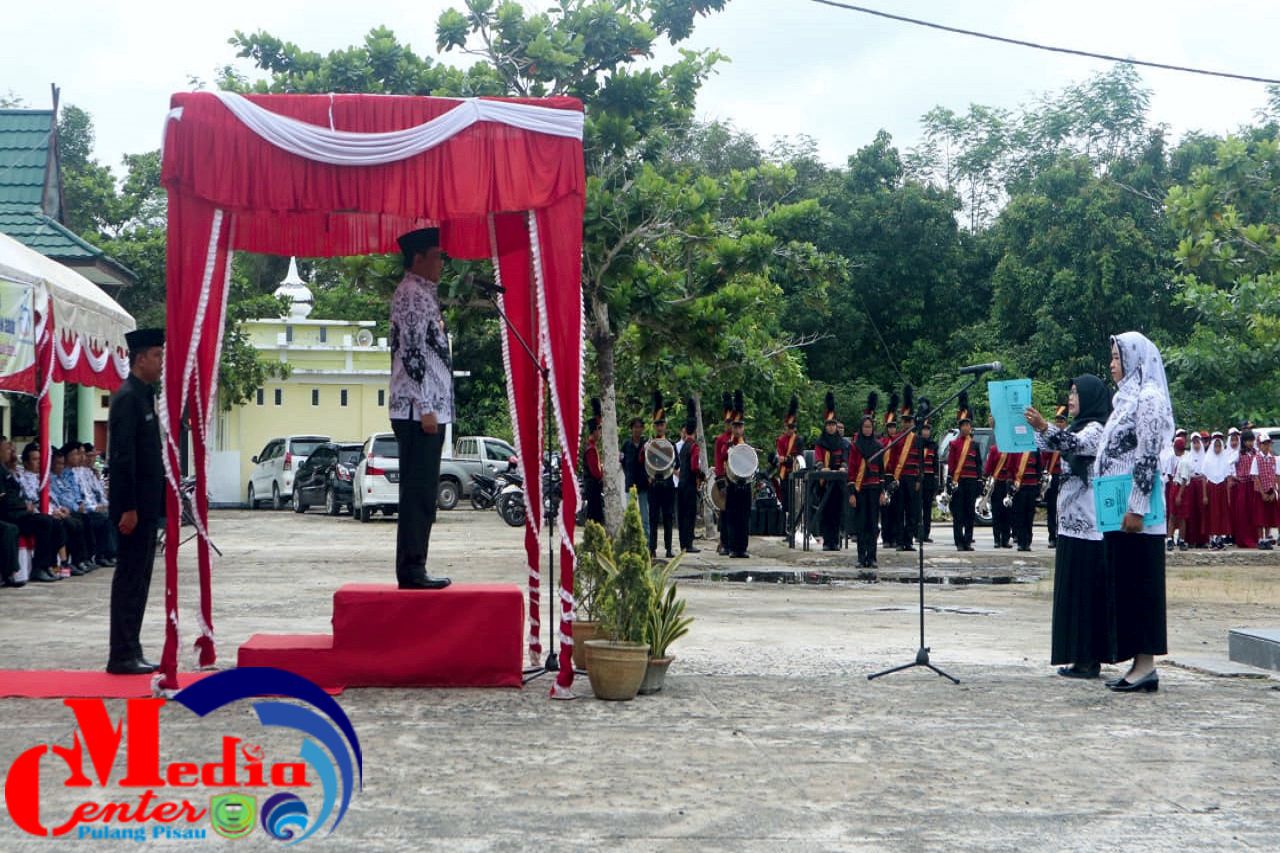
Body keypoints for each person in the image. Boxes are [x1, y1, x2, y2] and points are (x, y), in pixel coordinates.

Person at [1097, 332, 1174, 693]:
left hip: (1138, 517)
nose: (1112, 364)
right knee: (1127, 587)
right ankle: (1136, 663)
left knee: (1142, 587)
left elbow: (1147, 455)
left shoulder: (1149, 397)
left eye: (1117, 357)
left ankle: (1146, 666)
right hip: (1120, 514)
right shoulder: (1125, 400)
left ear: (1134, 358)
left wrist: (1137, 507)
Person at [1026, 375, 1112, 678]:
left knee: (1086, 594)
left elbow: (1072, 445)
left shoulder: (1097, 429)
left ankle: (1089, 659)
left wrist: (1044, 426)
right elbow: (1049, 443)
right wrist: (1025, 425)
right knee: (1071, 593)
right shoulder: (1075, 427)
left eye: (1077, 393)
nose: (1071, 397)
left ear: (1090, 397)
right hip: (1069, 525)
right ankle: (1078, 656)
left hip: (1089, 526)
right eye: (1070, 392)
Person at [388, 228, 454, 591]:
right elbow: (412, 354)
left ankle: (416, 565)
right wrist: (426, 407)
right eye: (437, 255)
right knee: (417, 493)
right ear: (418, 258)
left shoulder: (423, 294)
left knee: (424, 492)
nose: (441, 263)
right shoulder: (412, 295)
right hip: (418, 412)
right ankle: (412, 569)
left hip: (427, 410)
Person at [107, 327, 166, 674]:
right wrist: (127, 506)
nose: (161, 362)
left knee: (140, 578)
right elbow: (122, 457)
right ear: (141, 358)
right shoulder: (128, 397)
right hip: (133, 508)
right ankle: (122, 654)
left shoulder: (145, 396)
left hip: (145, 505)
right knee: (129, 577)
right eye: (157, 355)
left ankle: (132, 648)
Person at [886, 385, 923, 552]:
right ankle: (900, 541)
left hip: (912, 479)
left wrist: (918, 479)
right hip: (899, 479)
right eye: (905, 420)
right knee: (898, 511)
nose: (907, 423)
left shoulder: (917, 439)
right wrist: (892, 478)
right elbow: (892, 461)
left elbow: (920, 461)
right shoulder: (896, 439)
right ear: (902, 422)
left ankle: (909, 541)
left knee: (912, 512)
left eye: (910, 421)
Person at [848, 412, 884, 568]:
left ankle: (872, 557)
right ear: (861, 428)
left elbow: (882, 471)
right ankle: (861, 557)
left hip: (875, 489)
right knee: (861, 525)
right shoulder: (855, 447)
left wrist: (883, 491)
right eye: (865, 427)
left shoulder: (879, 446)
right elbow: (852, 470)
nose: (868, 430)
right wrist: (851, 493)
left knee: (873, 524)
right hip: (860, 489)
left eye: (870, 427)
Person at [719, 391, 753, 559]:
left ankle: (743, 548)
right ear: (732, 427)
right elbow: (722, 458)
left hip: (745, 484)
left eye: (741, 426)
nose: (738, 429)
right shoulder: (727, 444)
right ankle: (733, 547)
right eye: (736, 426)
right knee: (732, 518)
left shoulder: (747, 445)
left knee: (744, 518)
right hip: (731, 483)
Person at [947, 393, 982, 552]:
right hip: (959, 482)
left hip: (972, 482)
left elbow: (978, 465)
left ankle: (968, 541)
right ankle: (959, 542)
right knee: (958, 514)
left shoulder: (974, 445)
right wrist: (950, 482)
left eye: (968, 424)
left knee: (969, 513)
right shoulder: (954, 444)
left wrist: (980, 482)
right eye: (963, 425)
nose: (966, 427)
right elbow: (952, 464)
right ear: (960, 427)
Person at [813, 393, 846, 552]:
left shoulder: (842, 442)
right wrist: (822, 467)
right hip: (824, 482)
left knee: (837, 511)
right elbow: (818, 458)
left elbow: (846, 459)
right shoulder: (820, 442)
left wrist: (843, 467)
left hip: (838, 482)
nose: (831, 427)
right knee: (825, 511)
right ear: (825, 426)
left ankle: (836, 540)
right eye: (829, 425)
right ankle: (827, 541)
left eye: (833, 424)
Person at [75, 442, 116, 566]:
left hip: (96, 506)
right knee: (103, 518)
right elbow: (82, 495)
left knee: (114, 513)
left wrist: (105, 504)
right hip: (86, 508)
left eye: (93, 456)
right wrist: (94, 507)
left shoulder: (91, 472)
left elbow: (99, 493)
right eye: (88, 455)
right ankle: (102, 554)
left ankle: (113, 552)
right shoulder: (74, 473)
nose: (90, 459)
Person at [647, 392, 676, 559]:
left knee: (667, 518)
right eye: (657, 424)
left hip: (668, 485)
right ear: (654, 426)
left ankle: (669, 548)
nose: (660, 427)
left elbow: (677, 464)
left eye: (662, 424)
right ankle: (652, 549)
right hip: (653, 486)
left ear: (665, 426)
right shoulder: (649, 445)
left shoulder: (670, 446)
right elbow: (643, 462)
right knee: (652, 519)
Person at [774, 395, 804, 540]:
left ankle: (794, 529)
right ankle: (787, 529)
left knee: (794, 503)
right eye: (788, 427)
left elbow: (798, 457)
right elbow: (779, 456)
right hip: (784, 474)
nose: (790, 430)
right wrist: (784, 460)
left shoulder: (798, 440)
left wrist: (786, 459)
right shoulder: (780, 440)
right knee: (785, 503)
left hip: (795, 474)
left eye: (792, 427)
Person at [676, 405, 702, 554]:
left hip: (681, 484)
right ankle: (689, 544)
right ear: (696, 431)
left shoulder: (684, 445)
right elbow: (694, 466)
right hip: (690, 485)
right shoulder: (694, 446)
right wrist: (701, 475)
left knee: (682, 515)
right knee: (690, 515)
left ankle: (683, 544)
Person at [620, 416, 651, 541]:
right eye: (635, 427)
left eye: (639, 427)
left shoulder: (647, 444)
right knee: (630, 515)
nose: (637, 430)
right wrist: (628, 474)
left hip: (644, 484)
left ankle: (647, 544)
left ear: (643, 429)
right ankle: (630, 542)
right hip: (630, 484)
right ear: (631, 429)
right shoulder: (626, 445)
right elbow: (622, 462)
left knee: (645, 517)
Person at [1200, 432, 1233, 550]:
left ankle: (1220, 537)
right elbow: (1204, 477)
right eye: (1216, 446)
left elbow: (1228, 477)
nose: (1218, 449)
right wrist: (1204, 495)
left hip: (1221, 489)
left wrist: (1228, 496)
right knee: (1211, 513)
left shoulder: (1225, 460)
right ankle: (1212, 538)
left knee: (1221, 513)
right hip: (1211, 488)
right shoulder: (1207, 460)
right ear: (1213, 447)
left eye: (1219, 446)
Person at [1230, 430, 1261, 549]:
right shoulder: (1239, 453)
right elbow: (1229, 464)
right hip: (1242, 485)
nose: (1250, 443)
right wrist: (1234, 476)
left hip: (1253, 485)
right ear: (1243, 441)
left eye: (1252, 441)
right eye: (1248, 441)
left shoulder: (1256, 453)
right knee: (1242, 512)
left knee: (1253, 512)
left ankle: (1254, 538)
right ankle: (1242, 539)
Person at [1042, 407, 1068, 548]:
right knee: (1052, 508)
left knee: (1064, 507)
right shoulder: (1051, 439)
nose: (1058, 424)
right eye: (1057, 421)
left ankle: (1063, 535)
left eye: (1061, 421)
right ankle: (1052, 536)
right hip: (1053, 475)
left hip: (1066, 477)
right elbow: (1044, 458)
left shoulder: (1071, 436)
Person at [713, 392, 734, 556]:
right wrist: (720, 482)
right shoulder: (721, 439)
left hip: (737, 479)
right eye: (727, 422)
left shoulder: (738, 438)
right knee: (725, 513)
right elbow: (719, 461)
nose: (729, 425)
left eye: (731, 422)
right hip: (725, 479)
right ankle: (724, 543)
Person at [1007, 448, 1041, 552]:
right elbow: (1010, 467)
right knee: (1020, 515)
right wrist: (1013, 482)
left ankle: (1028, 541)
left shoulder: (1035, 450)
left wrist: (1037, 484)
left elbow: (1039, 467)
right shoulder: (1015, 449)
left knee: (1029, 516)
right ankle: (1021, 542)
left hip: (1032, 487)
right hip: (1020, 487)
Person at [984, 439, 1014, 549]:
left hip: (1008, 483)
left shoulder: (1011, 449)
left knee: (1007, 513)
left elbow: (1014, 467)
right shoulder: (994, 449)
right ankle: (997, 539)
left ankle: (1005, 540)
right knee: (996, 513)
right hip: (997, 484)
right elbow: (989, 467)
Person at [879, 391, 900, 548]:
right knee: (884, 508)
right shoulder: (882, 442)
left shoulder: (899, 441)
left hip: (895, 476)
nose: (892, 429)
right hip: (884, 477)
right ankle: (886, 538)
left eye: (894, 427)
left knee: (896, 509)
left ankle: (894, 537)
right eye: (889, 427)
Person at [582, 399, 605, 526]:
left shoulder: (591, 446)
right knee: (595, 517)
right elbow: (596, 473)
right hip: (593, 487)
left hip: (592, 487)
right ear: (594, 431)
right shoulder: (591, 449)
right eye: (599, 430)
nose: (600, 433)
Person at [918, 420, 940, 544]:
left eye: (928, 430)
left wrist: (936, 479)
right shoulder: (917, 443)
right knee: (917, 508)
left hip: (929, 478)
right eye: (924, 429)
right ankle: (917, 533)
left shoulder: (933, 445)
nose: (926, 432)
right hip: (918, 479)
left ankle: (926, 533)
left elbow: (935, 463)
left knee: (927, 508)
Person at [1255, 435, 1278, 548]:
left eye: (1268, 443)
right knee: (1260, 516)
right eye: (1264, 444)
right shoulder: (1257, 458)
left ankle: (1268, 537)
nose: (1267, 446)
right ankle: (1260, 539)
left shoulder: (1273, 458)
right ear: (1260, 445)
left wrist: (1274, 491)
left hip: (1270, 490)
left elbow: (1276, 476)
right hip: (1260, 492)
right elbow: (1256, 477)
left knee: (1269, 516)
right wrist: (1262, 493)